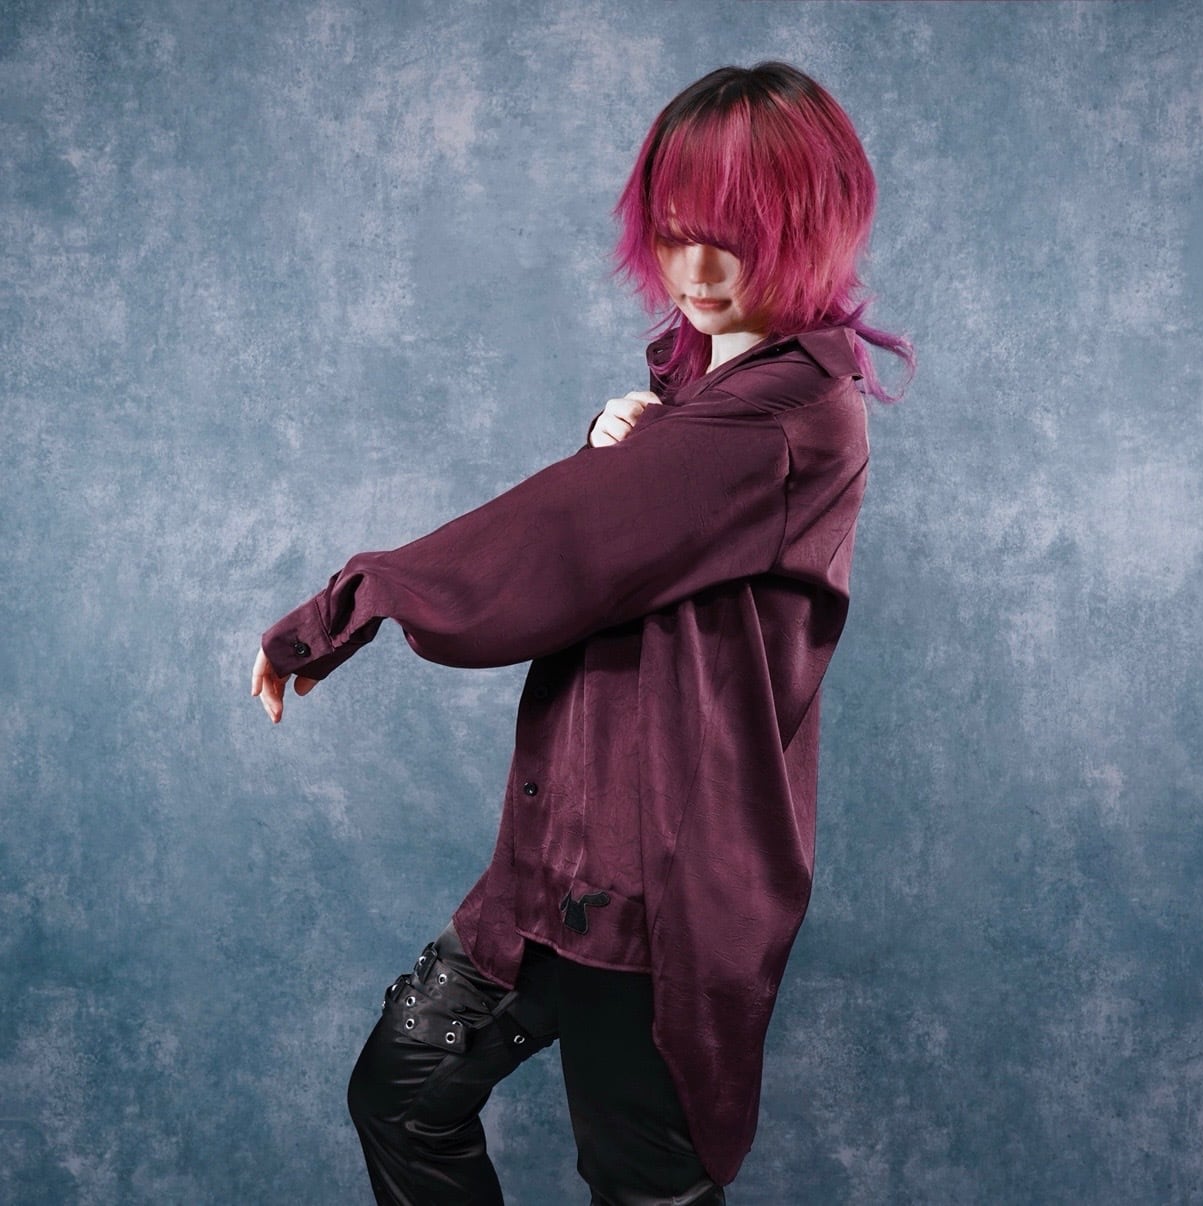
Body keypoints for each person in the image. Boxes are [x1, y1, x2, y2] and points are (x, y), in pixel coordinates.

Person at [252, 61, 912, 1206]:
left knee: (640, 1189)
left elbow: (563, 546)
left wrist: (344, 607)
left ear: (808, 229)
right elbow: (622, 548)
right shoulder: (700, 393)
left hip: (658, 890)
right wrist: (621, 439)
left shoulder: (792, 415)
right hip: (559, 861)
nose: (695, 272)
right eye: (676, 234)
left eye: (734, 239)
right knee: (401, 1097)